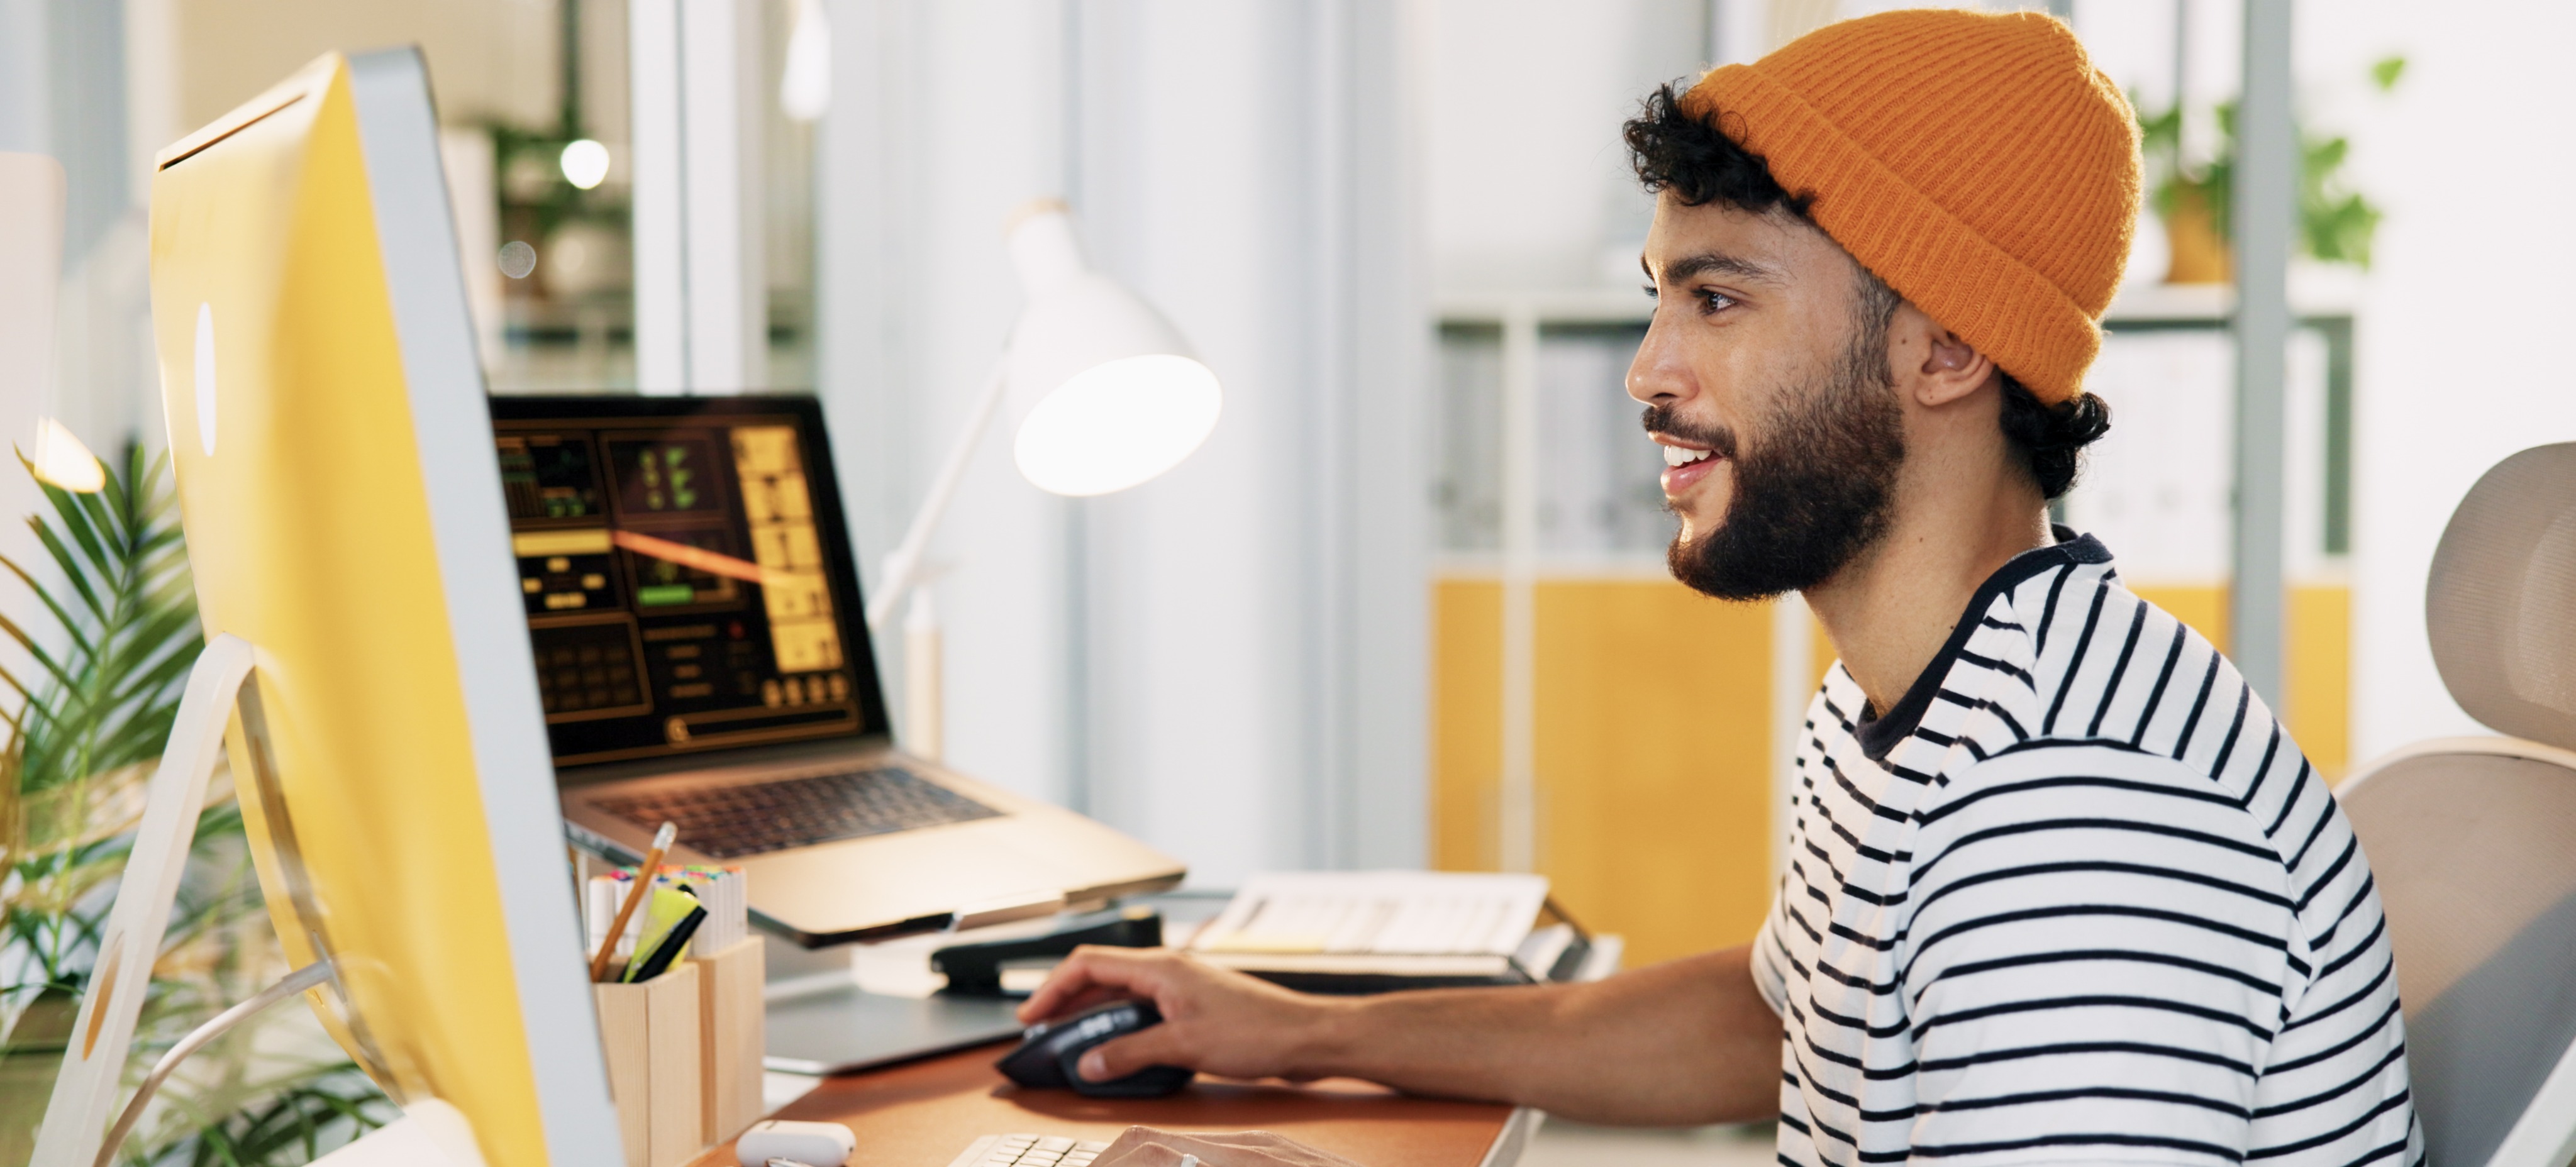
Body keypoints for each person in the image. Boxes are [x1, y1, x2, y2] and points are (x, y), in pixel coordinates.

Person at [1050, 10, 2421, 1167]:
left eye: (1714, 299)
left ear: (1945, 347)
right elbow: (1776, 1018)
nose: (1644, 371)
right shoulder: (1923, 694)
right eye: (1659, 297)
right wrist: (1300, 1031)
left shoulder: (2072, 809)